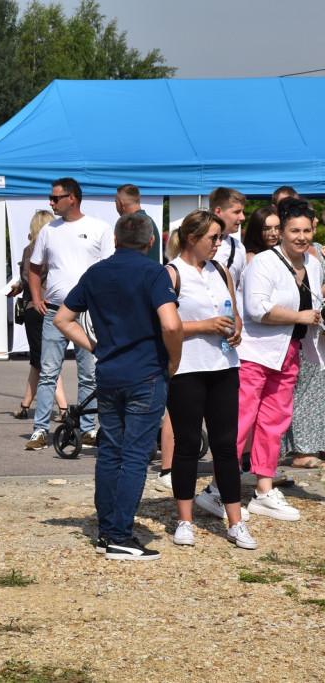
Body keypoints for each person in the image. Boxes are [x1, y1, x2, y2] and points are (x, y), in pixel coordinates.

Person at [54, 212, 182, 561]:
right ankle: (122, 536)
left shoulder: (96, 272)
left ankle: (106, 530)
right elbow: (170, 325)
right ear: (151, 241)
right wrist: (174, 362)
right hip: (146, 373)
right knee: (137, 456)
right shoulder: (155, 272)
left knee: (110, 453)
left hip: (109, 372)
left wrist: (94, 346)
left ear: (114, 240)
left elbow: (62, 318)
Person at [163, 210, 256, 550]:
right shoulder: (172, 273)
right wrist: (205, 325)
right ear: (192, 238)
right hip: (187, 368)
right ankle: (184, 521)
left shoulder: (220, 269)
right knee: (188, 446)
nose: (220, 243)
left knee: (226, 446)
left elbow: (235, 314)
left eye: (221, 237)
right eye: (213, 238)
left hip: (224, 366)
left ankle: (236, 523)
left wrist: (236, 331)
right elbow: (162, 326)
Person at [234, 198, 324, 522]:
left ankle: (263, 489)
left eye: (306, 230)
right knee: (242, 420)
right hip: (256, 353)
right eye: (293, 230)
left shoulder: (313, 263)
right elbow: (257, 309)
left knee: (275, 423)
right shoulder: (262, 263)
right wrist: (299, 315)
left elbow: (316, 301)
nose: (301, 237)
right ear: (281, 231)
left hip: (291, 351)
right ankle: (220, 488)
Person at [26, 178, 114, 450]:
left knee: (89, 373)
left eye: (55, 198)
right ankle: (40, 430)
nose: (50, 203)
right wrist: (37, 297)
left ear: (72, 198)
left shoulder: (99, 227)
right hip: (55, 311)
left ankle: (88, 430)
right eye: (51, 198)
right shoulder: (49, 231)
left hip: (87, 313)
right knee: (48, 372)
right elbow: (34, 267)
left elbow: (109, 269)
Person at [8, 210, 68, 422]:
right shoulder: (61, 248)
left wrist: (18, 285)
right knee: (38, 359)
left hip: (36, 306)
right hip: (57, 304)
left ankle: (63, 408)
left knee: (45, 360)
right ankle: (25, 406)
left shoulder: (32, 248)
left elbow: (28, 276)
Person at [210, 187, 247, 295]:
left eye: (242, 212)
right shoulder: (196, 245)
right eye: (237, 212)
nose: (243, 217)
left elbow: (239, 288)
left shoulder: (239, 247)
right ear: (218, 211)